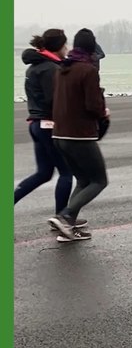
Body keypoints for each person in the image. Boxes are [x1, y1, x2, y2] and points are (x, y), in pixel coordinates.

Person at [48, 28, 110, 242]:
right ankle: (65, 216)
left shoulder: (62, 69)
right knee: (99, 180)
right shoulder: (87, 70)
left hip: (59, 135)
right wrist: (103, 111)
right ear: (92, 47)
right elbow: (93, 105)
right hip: (80, 135)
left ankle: (67, 227)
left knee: (83, 180)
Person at [15, 29, 73, 219]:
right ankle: (62, 218)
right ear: (59, 46)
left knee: (44, 173)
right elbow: (54, 101)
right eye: (65, 45)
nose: (67, 49)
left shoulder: (34, 67)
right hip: (48, 125)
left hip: (36, 124)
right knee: (66, 172)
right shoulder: (50, 69)